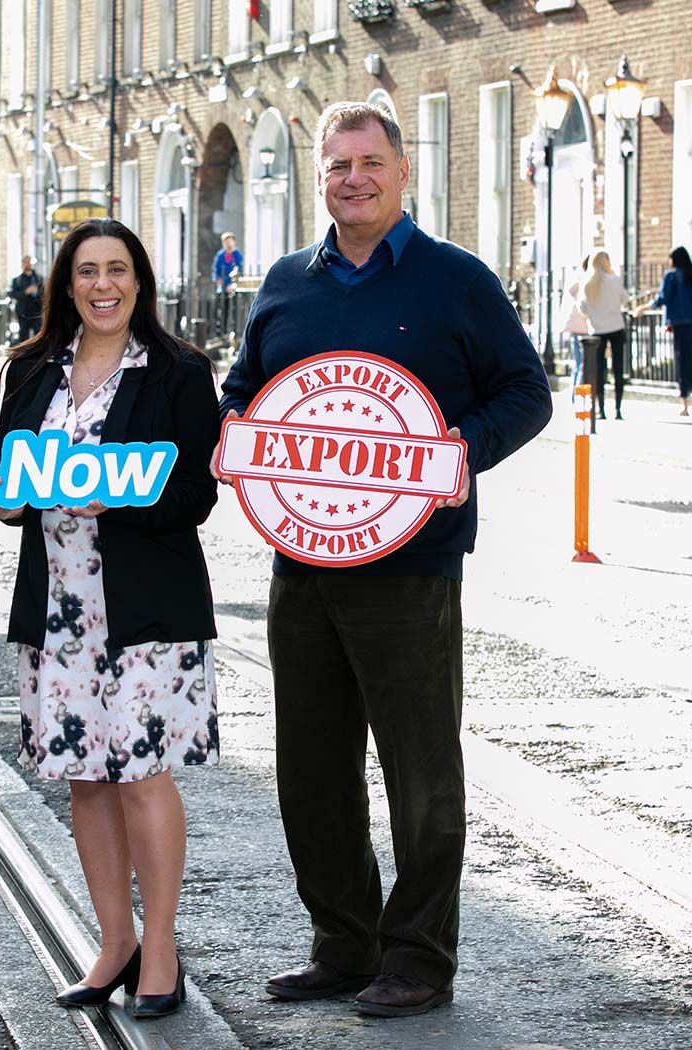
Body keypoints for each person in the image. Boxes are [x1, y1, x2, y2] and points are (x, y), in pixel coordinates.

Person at [214, 102, 552, 1019]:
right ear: (320, 177)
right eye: (336, 166)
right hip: (302, 564)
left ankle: (418, 958)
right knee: (311, 768)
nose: (351, 179)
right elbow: (244, 392)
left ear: (403, 171)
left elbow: (528, 392)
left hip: (414, 565)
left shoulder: (457, 281)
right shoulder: (285, 282)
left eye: (368, 162)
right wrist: (233, 435)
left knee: (420, 772)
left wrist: (457, 452)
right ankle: (342, 941)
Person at [0, 218, 220, 1021]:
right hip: (58, 609)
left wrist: (119, 490)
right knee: (86, 777)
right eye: (87, 272)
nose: (103, 285)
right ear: (67, 285)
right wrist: (3, 500)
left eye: (117, 269)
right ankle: (113, 941)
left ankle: (161, 948)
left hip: (146, 608)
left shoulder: (179, 372)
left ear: (139, 281)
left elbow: (198, 494)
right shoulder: (30, 369)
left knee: (144, 778)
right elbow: (12, 476)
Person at [578, 250, 631, 420]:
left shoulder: (587, 283)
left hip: (597, 331)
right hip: (616, 328)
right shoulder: (614, 279)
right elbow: (625, 300)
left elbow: (582, 309)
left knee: (598, 371)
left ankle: (600, 409)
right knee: (618, 369)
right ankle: (618, 409)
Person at [645, 246, 692, 416]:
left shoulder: (671, 276)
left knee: (682, 362)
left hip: (679, 324)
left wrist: (645, 307)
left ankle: (685, 406)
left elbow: (663, 298)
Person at [559, 256, 591, 401]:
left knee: (578, 364)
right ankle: (578, 396)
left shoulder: (579, 278)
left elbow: (571, 292)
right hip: (585, 326)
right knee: (583, 364)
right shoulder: (589, 280)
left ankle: (574, 395)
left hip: (574, 325)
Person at [212, 233, 244, 339]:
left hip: (233, 287)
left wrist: (231, 285)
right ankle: (221, 331)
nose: (228, 244)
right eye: (226, 242)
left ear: (234, 242)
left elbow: (239, 270)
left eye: (229, 241)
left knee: (234, 308)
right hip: (222, 287)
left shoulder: (237, 255)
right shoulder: (220, 255)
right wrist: (217, 279)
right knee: (221, 308)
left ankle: (234, 330)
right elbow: (215, 270)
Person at [8, 255, 44, 338]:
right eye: (25, 262)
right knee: (23, 335)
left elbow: (44, 293)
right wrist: (26, 292)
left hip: (37, 310)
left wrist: (37, 292)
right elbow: (13, 294)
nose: (27, 264)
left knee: (38, 335)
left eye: (29, 262)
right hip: (23, 311)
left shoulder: (39, 278)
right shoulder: (17, 280)